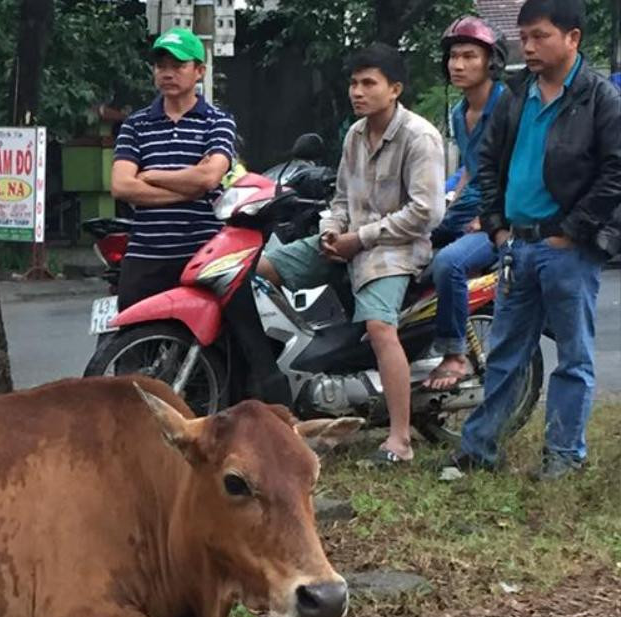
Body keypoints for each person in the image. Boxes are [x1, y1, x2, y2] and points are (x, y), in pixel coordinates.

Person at [454, 0, 621, 480]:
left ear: (573, 38)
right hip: (517, 245)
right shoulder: (516, 93)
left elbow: (615, 172)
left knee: (573, 355)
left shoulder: (599, 98)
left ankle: (563, 456)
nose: (528, 46)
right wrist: (497, 227)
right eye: (524, 36)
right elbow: (486, 163)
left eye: (540, 35)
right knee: (506, 351)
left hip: (565, 249)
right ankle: (479, 448)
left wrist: (574, 231)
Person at [256, 43, 445, 464]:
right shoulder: (355, 134)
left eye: (368, 83)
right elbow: (340, 199)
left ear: (394, 89)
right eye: (353, 83)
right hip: (347, 242)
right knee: (258, 271)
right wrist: (330, 230)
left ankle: (400, 440)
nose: (357, 91)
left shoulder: (421, 137)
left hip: (394, 250)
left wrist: (359, 238)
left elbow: (426, 211)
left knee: (380, 328)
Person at [111, 27, 236, 311]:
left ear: (199, 71)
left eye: (178, 65)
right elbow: (121, 186)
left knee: (228, 342)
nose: (167, 73)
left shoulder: (218, 121)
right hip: (146, 254)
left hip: (204, 254)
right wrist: (189, 189)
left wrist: (151, 176)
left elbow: (209, 177)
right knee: (130, 345)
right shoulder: (136, 124)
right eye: (161, 66)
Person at [422, 17, 510, 391]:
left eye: (469, 56)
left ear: (491, 62)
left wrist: (489, 217)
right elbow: (471, 170)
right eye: (453, 57)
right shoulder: (459, 113)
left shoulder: (508, 105)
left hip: (500, 216)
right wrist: (445, 201)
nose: (457, 65)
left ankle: (454, 353)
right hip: (465, 209)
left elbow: (517, 168)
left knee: (448, 263)